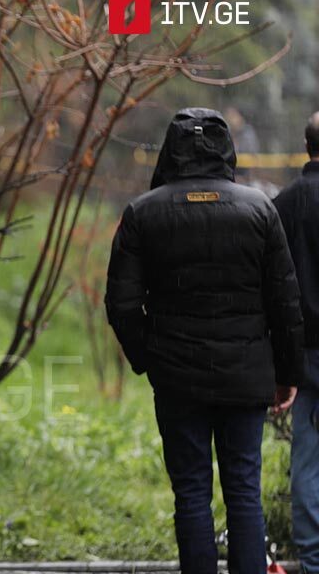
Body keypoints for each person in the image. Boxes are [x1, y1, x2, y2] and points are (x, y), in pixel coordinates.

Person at [105, 108, 303, 574]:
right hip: (246, 378)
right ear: (227, 150)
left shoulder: (143, 213)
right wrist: (287, 372)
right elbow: (285, 301)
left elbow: (122, 304)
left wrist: (149, 358)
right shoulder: (259, 210)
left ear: (170, 151)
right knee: (244, 491)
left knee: (191, 492)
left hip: (177, 379)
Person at [273, 111, 319, 574]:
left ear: (307, 147)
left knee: (307, 461)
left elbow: (273, 286)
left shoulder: (283, 204)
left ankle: (313, 557)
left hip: (303, 355)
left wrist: (280, 364)